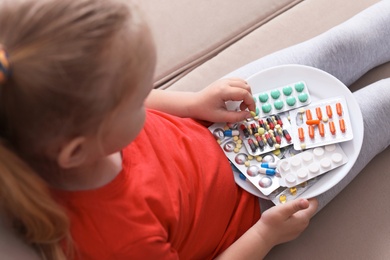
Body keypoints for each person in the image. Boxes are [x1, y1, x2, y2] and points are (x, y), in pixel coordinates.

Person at [0, 0, 388, 259]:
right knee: (381, 108)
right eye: (136, 99)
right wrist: (265, 236)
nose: (146, 98)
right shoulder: (120, 239)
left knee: (344, 42)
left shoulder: (49, 123)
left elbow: (146, 102)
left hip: (213, 118)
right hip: (261, 197)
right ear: (78, 150)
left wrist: (192, 102)